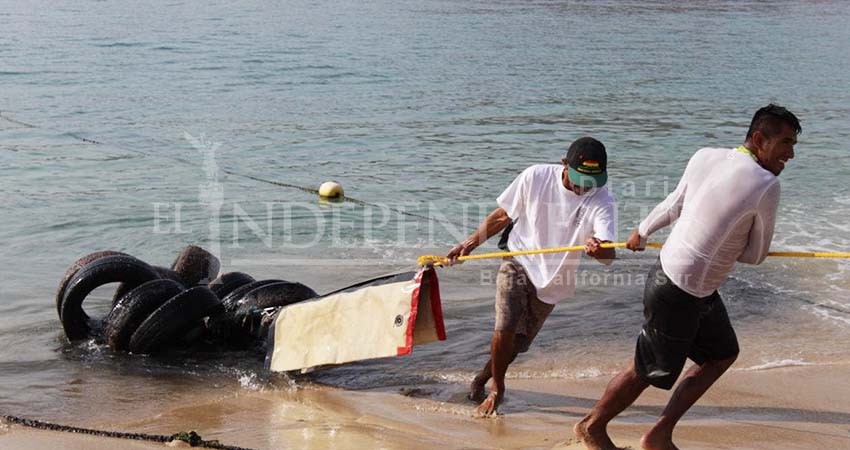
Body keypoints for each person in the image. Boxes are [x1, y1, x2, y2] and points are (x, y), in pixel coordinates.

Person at [574, 104, 800, 450]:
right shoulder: (766, 184)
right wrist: (727, 244)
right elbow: (756, 256)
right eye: (785, 143)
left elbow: (674, 203)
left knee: (721, 354)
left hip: (680, 281)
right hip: (681, 291)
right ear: (758, 139)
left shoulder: (705, 155)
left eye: (793, 144)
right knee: (647, 368)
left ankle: (660, 433)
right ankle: (592, 426)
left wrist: (643, 229)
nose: (791, 154)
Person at [446, 136, 618, 417]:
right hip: (519, 258)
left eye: (592, 181)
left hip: (553, 279)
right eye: (579, 179)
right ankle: (497, 389)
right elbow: (503, 216)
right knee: (506, 325)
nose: (584, 187)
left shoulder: (603, 199)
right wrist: (468, 245)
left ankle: (482, 378)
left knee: (517, 346)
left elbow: (609, 255)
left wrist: (597, 251)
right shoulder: (536, 176)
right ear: (564, 165)